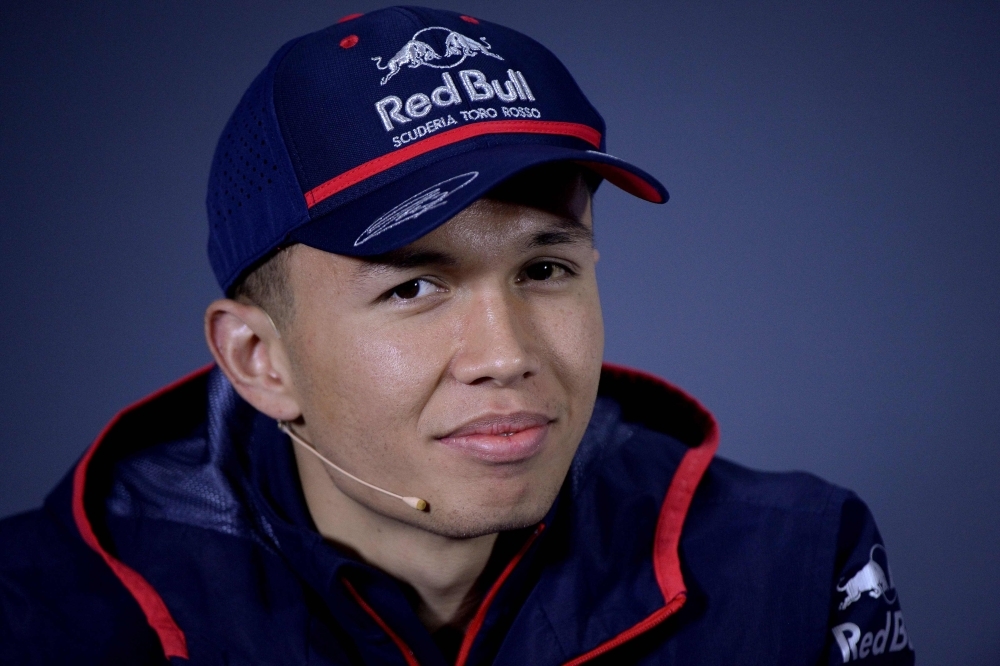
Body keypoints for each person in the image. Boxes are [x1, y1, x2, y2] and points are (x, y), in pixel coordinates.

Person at [0, 7, 914, 664]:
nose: (506, 353)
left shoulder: (797, 565)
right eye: (413, 286)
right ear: (259, 359)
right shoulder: (39, 615)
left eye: (545, 269)